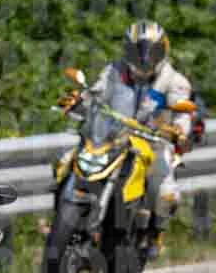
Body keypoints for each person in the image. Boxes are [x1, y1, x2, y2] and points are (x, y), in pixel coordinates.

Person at [75, 19, 197, 260]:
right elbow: (96, 93)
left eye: (151, 52)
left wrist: (178, 131)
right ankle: (66, 215)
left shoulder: (174, 81)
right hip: (113, 136)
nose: (144, 59)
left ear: (163, 50)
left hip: (153, 141)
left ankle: (156, 230)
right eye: (136, 52)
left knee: (163, 190)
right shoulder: (114, 71)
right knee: (68, 160)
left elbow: (182, 111)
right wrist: (80, 101)